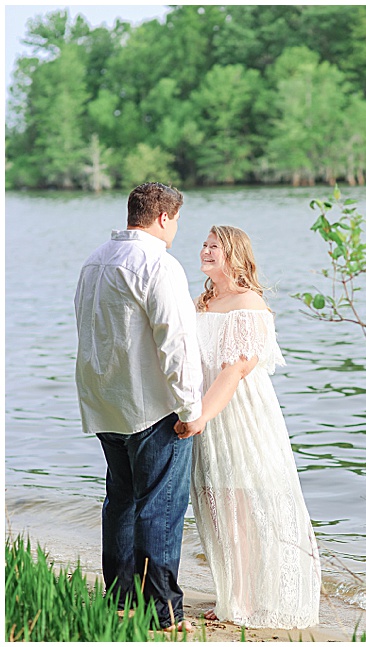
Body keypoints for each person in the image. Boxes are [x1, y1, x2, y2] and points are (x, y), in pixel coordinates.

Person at [175, 225, 321, 629]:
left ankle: (246, 600)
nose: (205, 251)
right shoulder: (203, 300)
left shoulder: (248, 302)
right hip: (206, 409)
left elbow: (236, 369)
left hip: (238, 414)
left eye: (214, 246)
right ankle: (232, 593)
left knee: (243, 503)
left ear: (234, 253)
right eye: (203, 244)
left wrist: (200, 416)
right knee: (216, 502)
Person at [74, 182, 203, 632]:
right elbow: (176, 342)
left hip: (106, 400)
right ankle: (164, 613)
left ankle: (122, 601)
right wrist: (190, 407)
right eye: (177, 222)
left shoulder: (94, 260)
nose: (176, 231)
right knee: (161, 506)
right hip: (150, 404)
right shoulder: (158, 264)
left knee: (122, 500)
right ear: (164, 217)